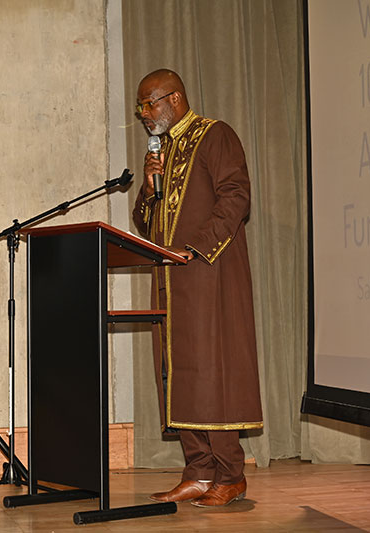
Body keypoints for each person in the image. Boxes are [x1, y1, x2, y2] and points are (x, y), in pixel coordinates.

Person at [132, 69, 263, 507]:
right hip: (170, 280)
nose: (144, 113)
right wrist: (148, 187)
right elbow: (145, 223)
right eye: (140, 106)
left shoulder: (214, 135)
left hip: (209, 274)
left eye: (149, 103)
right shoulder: (161, 152)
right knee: (179, 373)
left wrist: (196, 249)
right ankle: (199, 471)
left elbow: (236, 196)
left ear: (174, 98)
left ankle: (231, 475)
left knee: (211, 372)